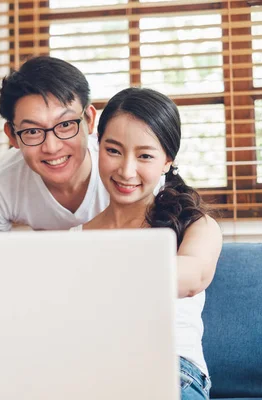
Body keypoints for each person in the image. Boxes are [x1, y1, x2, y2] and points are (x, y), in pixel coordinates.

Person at [77, 87, 222, 399]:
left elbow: (192, 277)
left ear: (167, 160)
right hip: (93, 371)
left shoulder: (196, 224)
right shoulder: (77, 237)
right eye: (113, 150)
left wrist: (93, 273)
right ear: (97, 147)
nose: (126, 170)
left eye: (144, 155)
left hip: (171, 370)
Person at [0, 56, 109, 232]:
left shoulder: (125, 172)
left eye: (65, 125)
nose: (52, 147)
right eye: (32, 131)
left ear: (90, 120)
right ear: (12, 136)